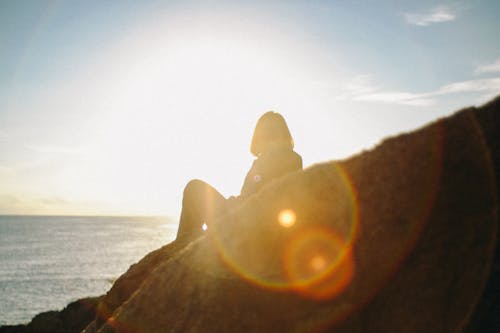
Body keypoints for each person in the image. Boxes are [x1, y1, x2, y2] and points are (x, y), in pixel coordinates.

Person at [175, 111, 303, 242]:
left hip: (243, 222)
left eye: (268, 131)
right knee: (196, 190)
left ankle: (182, 245)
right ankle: (187, 244)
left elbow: (254, 199)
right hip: (246, 218)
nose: (265, 136)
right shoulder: (292, 159)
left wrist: (232, 204)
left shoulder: (275, 159)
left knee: (194, 188)